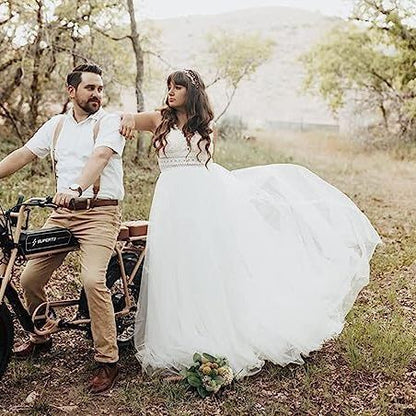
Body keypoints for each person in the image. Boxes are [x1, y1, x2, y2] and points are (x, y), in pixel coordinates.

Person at [120, 69, 381, 378]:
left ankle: (210, 328)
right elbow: (126, 119)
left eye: (178, 87)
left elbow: (204, 166)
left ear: (193, 92)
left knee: (206, 263)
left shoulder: (205, 125)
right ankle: (178, 330)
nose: (171, 92)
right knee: (174, 263)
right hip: (171, 199)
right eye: (169, 87)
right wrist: (124, 118)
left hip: (203, 199)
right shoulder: (158, 119)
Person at [0, 64, 125, 393]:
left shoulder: (108, 122)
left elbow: (99, 157)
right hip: (62, 214)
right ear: (72, 92)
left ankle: (107, 360)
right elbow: (23, 154)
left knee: (92, 280)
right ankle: (41, 334)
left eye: (100, 88)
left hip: (99, 213)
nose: (97, 94)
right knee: (29, 277)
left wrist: (76, 188)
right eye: (90, 88)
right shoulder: (56, 126)